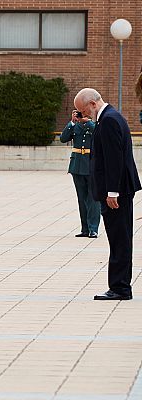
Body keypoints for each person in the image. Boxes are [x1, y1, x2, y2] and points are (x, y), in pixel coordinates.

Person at [74, 88, 141, 301]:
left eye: (84, 111)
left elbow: (114, 160)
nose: (84, 115)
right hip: (118, 191)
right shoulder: (111, 117)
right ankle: (120, 286)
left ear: (93, 104)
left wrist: (113, 191)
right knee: (119, 239)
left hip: (117, 193)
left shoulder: (109, 120)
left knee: (119, 240)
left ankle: (120, 288)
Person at [60, 109, 99, 238]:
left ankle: (93, 228)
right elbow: (63, 138)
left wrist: (87, 122)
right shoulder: (74, 126)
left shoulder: (94, 125)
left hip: (91, 165)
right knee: (81, 199)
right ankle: (85, 229)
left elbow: (98, 135)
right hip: (77, 166)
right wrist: (72, 122)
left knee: (93, 198)